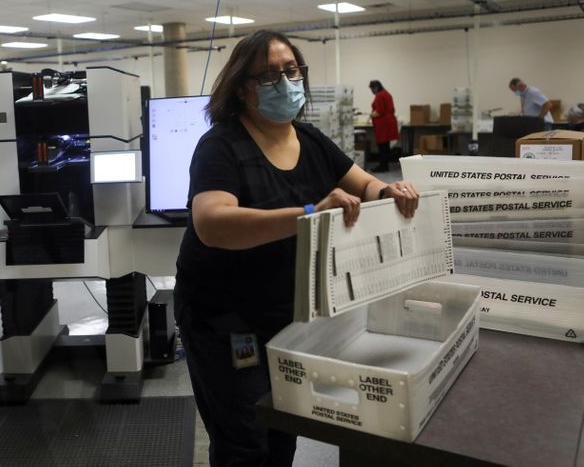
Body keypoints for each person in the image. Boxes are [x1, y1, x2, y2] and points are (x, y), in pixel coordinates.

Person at [174, 30, 419, 467]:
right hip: (224, 318)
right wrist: (309, 213)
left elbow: (362, 181)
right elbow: (211, 223)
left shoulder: (308, 139)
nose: (285, 82)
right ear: (242, 87)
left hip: (286, 314)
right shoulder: (221, 145)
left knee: (283, 424)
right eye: (269, 76)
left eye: (292, 71)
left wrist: (388, 193)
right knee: (245, 436)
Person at [368, 80, 399, 172]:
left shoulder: (379, 95)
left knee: (382, 145)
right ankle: (384, 165)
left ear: (376, 87)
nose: (372, 91)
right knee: (385, 145)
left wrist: (370, 115)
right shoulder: (387, 94)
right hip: (389, 122)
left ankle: (383, 166)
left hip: (383, 124)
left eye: (372, 89)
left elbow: (379, 111)